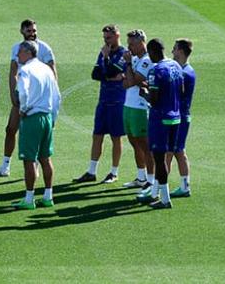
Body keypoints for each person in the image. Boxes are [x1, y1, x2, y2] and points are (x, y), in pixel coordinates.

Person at [0, 19, 56, 178]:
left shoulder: (44, 48)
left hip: (37, 99)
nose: (33, 33)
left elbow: (53, 73)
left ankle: (35, 166)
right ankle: (6, 165)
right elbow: (13, 71)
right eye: (29, 31)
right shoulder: (17, 48)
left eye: (34, 30)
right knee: (10, 129)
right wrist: (13, 94)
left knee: (32, 134)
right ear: (22, 31)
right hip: (22, 95)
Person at [74, 24, 127, 184]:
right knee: (97, 135)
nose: (106, 41)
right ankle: (92, 171)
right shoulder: (105, 51)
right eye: (104, 38)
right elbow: (95, 74)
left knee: (116, 137)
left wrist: (106, 60)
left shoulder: (124, 54)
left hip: (117, 101)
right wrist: (110, 75)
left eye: (109, 38)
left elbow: (111, 70)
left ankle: (114, 172)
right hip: (103, 100)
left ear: (117, 36)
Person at [11, 41, 59, 210]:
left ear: (28, 53)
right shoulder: (46, 69)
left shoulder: (25, 70)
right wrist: (53, 118)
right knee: (45, 158)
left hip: (32, 119)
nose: (17, 56)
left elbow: (23, 92)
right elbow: (56, 95)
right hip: (46, 116)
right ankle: (48, 196)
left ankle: (29, 198)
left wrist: (22, 109)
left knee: (29, 159)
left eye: (19, 53)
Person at [137, 38, 183, 209]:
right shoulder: (176, 66)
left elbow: (154, 100)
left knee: (158, 158)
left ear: (152, 52)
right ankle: (155, 192)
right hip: (175, 117)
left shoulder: (155, 70)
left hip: (160, 119)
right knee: (165, 156)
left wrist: (144, 94)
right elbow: (182, 91)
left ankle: (164, 199)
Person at [121, 29, 155, 189]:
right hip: (129, 105)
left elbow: (135, 80)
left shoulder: (147, 60)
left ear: (142, 43)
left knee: (144, 145)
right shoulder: (136, 59)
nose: (129, 48)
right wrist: (130, 76)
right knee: (134, 142)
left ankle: (151, 179)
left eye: (132, 44)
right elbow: (126, 83)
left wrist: (128, 65)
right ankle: (141, 177)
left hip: (140, 107)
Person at [167, 38, 196, 198]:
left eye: (175, 48)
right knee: (178, 151)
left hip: (179, 117)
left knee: (170, 152)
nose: (172, 51)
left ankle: (159, 186)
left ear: (181, 51)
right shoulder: (186, 70)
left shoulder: (184, 73)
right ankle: (184, 186)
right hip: (181, 116)